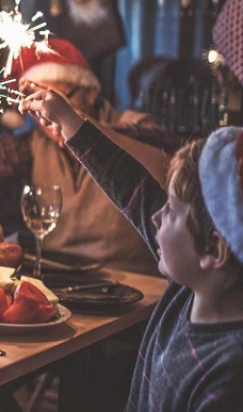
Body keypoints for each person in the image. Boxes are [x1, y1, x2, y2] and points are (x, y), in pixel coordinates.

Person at [20, 88, 243, 411]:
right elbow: (130, 186)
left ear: (214, 250)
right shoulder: (189, 288)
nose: (154, 215)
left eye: (170, 210)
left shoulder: (228, 375)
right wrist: (68, 121)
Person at [0, 37, 179, 275]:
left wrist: (74, 122)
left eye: (59, 100)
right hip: (62, 278)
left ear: (90, 93)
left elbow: (168, 146)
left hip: (133, 282)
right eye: (40, 104)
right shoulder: (36, 146)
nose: (47, 116)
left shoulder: (132, 127)